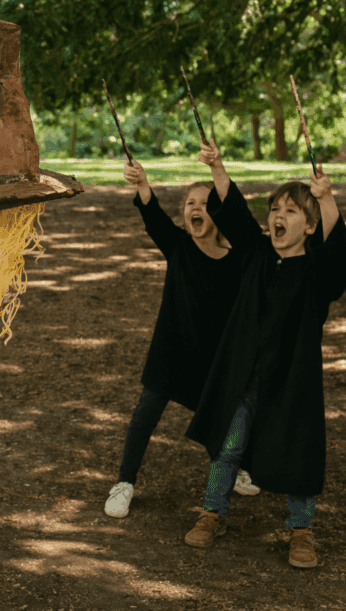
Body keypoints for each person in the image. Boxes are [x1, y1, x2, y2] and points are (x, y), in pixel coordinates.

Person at [183, 139, 346, 569]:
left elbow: (339, 250)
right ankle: (212, 513)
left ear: (309, 227)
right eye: (275, 209)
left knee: (298, 449)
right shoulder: (257, 254)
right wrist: (217, 167)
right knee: (229, 445)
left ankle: (301, 530)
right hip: (245, 377)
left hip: (292, 382)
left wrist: (327, 198)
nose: (278, 216)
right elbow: (236, 215)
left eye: (291, 211)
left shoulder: (316, 273)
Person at [105, 160, 255, 520]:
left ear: (219, 213)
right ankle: (125, 483)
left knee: (219, 421)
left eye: (205, 204)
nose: (197, 209)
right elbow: (153, 217)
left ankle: (235, 468)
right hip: (170, 354)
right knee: (144, 417)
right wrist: (143, 185)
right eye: (190, 204)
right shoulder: (178, 246)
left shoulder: (238, 261)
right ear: (183, 214)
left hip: (212, 359)